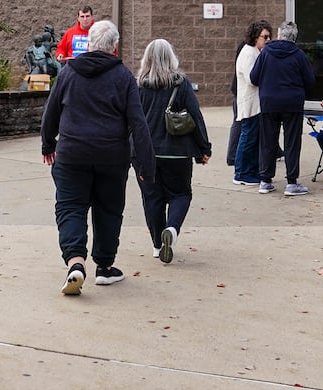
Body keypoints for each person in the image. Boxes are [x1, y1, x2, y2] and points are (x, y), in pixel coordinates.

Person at [40, 19, 156, 294]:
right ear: (114, 47)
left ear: (89, 44)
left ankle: (75, 262)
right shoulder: (123, 76)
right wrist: (146, 165)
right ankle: (104, 267)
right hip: (111, 156)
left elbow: (51, 112)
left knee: (70, 208)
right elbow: (138, 123)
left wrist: (48, 144)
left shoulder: (68, 73)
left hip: (72, 154)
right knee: (109, 210)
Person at [135, 39, 212, 264]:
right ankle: (172, 229)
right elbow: (196, 116)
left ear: (146, 59)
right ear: (171, 58)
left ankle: (158, 245)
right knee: (181, 194)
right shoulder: (181, 84)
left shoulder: (137, 85)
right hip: (177, 151)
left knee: (152, 198)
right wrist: (203, 149)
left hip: (145, 153)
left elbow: (128, 120)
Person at [249, 21, 315, 196]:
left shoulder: (265, 53)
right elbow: (310, 80)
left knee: (267, 141)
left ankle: (265, 180)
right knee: (292, 142)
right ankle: (291, 183)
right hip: (292, 103)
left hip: (269, 102)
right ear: (294, 37)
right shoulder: (299, 55)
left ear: (279, 35)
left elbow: (254, 78)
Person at [232, 21, 272, 187]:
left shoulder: (256, 51)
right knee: (248, 138)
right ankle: (241, 173)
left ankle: (250, 171)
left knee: (253, 139)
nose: (268, 39)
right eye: (265, 36)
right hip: (250, 103)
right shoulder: (249, 53)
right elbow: (251, 79)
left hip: (256, 103)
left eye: (269, 36)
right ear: (256, 37)